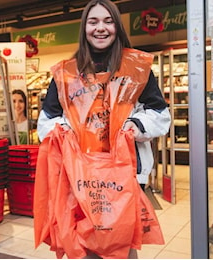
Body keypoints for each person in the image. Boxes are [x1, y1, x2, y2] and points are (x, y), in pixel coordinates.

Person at [35, 0, 171, 258]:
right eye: (93, 21)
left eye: (108, 21)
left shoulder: (137, 68)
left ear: (117, 26)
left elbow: (160, 116)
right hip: (80, 177)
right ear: (84, 28)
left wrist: (134, 125)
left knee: (122, 247)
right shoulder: (65, 74)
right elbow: (46, 122)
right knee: (86, 245)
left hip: (126, 176)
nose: (101, 28)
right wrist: (67, 130)